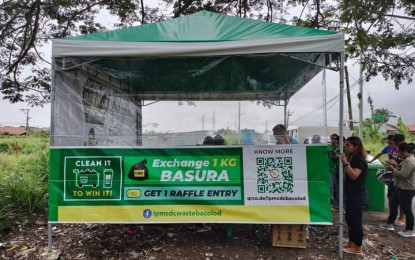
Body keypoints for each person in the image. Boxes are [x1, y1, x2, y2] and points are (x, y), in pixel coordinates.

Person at [340, 136, 368, 255]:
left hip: (357, 195)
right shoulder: (352, 157)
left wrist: (345, 163)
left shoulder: (359, 160)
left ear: (356, 146)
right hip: (351, 194)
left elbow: (354, 175)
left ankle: (358, 246)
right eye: (345, 145)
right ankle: (352, 241)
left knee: (355, 221)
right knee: (350, 219)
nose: (345, 147)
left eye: (348, 145)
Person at [380, 142, 415, 237]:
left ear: (404, 152)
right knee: (393, 202)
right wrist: (395, 165)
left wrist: (393, 169)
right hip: (400, 187)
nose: (398, 154)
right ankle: (390, 223)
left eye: (399, 152)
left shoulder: (409, 161)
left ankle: (410, 229)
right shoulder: (406, 160)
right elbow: (402, 170)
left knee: (406, 208)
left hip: (407, 188)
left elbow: (403, 175)